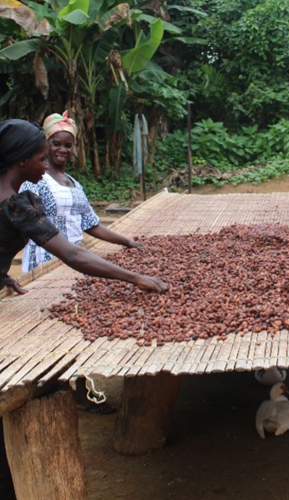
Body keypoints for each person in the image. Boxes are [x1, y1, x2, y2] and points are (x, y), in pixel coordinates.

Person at [0, 119, 168, 412]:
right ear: (22, 160)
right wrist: (135, 278)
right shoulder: (16, 205)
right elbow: (73, 255)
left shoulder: (16, 198)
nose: (44, 166)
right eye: (41, 159)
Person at [21, 111, 141, 273]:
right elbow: (30, 223)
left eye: (68, 145)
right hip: (45, 260)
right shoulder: (36, 179)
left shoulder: (74, 184)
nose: (62, 149)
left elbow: (91, 224)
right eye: (56, 144)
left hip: (75, 259)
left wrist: (127, 242)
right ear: (45, 144)